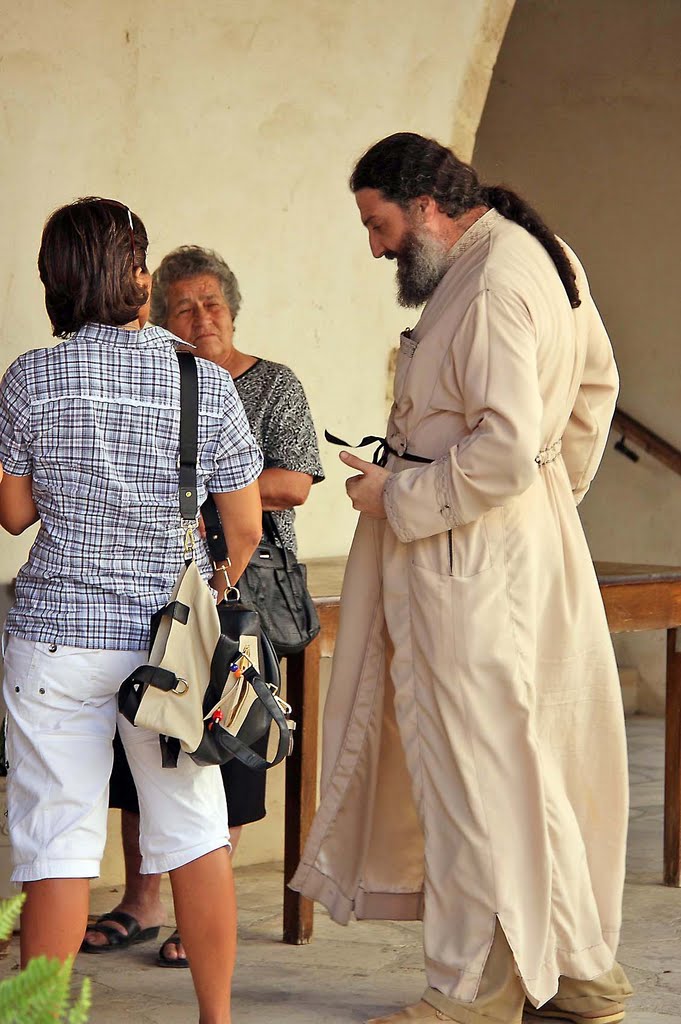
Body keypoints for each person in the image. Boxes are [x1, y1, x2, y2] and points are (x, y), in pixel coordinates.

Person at [290, 133, 633, 1024]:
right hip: (506, 544)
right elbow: (594, 393)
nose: (374, 247)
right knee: (522, 767)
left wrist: (398, 496)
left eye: (379, 225)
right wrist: (548, 505)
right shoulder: (543, 256)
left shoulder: (488, 283)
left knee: (471, 772)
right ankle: (579, 973)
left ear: (428, 207)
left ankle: (472, 990)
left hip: (466, 560)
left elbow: (506, 448)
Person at [0, 198, 264, 1024]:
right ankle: (215, 1019)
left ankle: (42, 1019)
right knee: (192, 829)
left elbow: (12, 514)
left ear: (57, 281)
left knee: (57, 838)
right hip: (168, 644)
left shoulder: (29, 377)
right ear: (138, 275)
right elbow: (246, 523)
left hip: (55, 641)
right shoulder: (198, 375)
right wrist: (207, 591)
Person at [83, 245, 324, 966]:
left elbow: (296, 482)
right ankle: (141, 901)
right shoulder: (156, 379)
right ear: (160, 316)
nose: (201, 317)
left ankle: (202, 912)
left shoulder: (272, 384)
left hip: (242, 598)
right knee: (147, 733)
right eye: (183, 306)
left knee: (229, 741)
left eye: (212, 303)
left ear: (232, 309)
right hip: (157, 592)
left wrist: (208, 493)